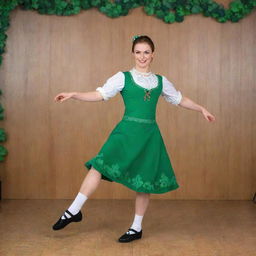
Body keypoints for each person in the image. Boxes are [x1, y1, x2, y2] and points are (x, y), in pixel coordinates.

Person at [52, 35, 216, 242]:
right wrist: (74, 94)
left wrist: (201, 108)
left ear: (153, 55)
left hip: (149, 137)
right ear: (133, 54)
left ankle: (136, 228)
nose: (142, 56)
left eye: (146, 52)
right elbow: (100, 94)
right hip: (125, 133)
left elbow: (179, 99)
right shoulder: (122, 78)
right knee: (98, 166)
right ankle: (73, 211)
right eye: (138, 52)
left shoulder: (161, 81)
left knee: (144, 182)